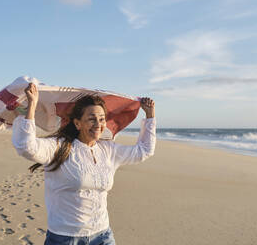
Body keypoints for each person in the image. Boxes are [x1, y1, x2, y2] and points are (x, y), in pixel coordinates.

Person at [12, 83, 156, 245]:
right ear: (77, 123)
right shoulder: (59, 146)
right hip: (65, 237)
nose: (98, 124)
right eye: (91, 119)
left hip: (102, 235)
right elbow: (26, 147)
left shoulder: (108, 150)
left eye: (102, 119)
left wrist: (150, 116)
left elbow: (144, 150)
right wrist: (32, 105)